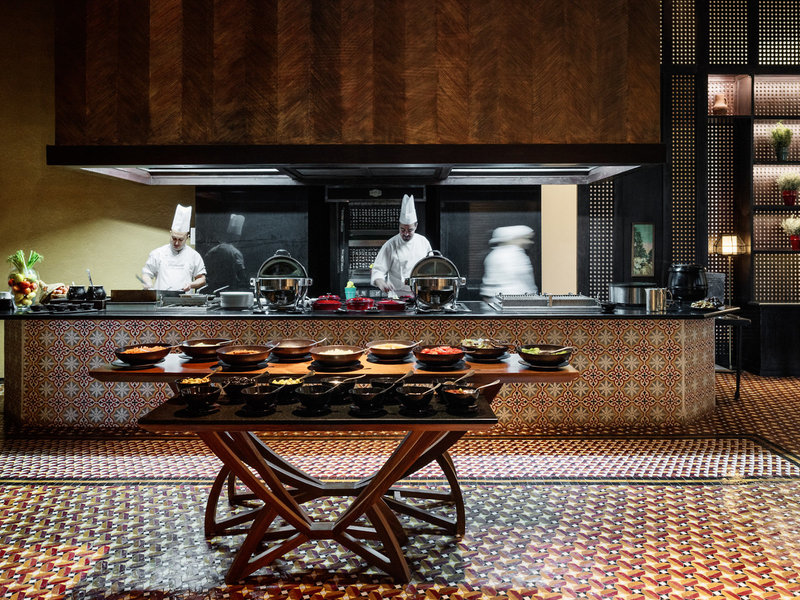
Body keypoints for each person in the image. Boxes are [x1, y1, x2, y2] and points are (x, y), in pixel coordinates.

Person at [371, 194, 432, 295]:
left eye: (410, 230)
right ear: (399, 225)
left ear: (416, 226)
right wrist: (381, 282)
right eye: (402, 230)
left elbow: (431, 267)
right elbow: (378, 270)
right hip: (396, 295)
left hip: (420, 294)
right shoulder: (390, 244)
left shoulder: (423, 242)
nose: (406, 234)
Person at [141, 204, 207, 292]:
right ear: (170, 233)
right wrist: (148, 284)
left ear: (187, 237)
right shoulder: (157, 253)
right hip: (161, 299)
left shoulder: (194, 255)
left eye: (180, 239)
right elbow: (146, 274)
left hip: (185, 299)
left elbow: (202, 279)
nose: (176, 243)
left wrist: (191, 285)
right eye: (174, 238)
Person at [480, 225, 538, 300]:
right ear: (515, 238)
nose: (530, 242)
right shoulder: (512, 255)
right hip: (511, 301)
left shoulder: (495, 255)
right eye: (526, 238)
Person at [204, 213, 247, 291]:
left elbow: (206, 272)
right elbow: (242, 276)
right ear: (237, 237)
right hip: (229, 291)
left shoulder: (211, 251)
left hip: (212, 289)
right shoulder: (235, 253)